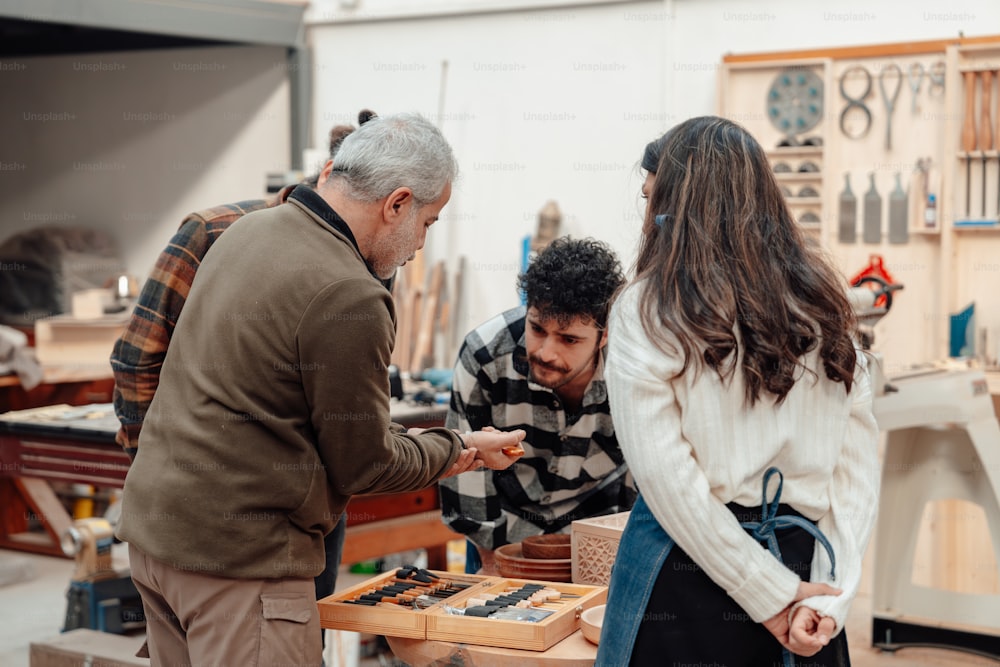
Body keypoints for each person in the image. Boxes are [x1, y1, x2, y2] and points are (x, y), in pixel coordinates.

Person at [115, 112, 526, 667]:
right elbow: (366, 464)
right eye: (428, 222)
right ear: (397, 203)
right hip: (242, 564)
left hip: (156, 540)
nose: (421, 244)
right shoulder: (349, 293)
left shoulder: (245, 231)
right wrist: (463, 449)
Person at [595, 115, 880, 666]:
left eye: (654, 200)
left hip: (688, 574)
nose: (649, 217)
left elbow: (669, 484)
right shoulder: (825, 303)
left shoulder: (647, 308)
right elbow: (857, 476)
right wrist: (827, 596)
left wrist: (778, 600)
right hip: (803, 574)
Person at [109, 111, 375, 642]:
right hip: (209, 511)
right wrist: (173, 473)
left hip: (304, 500)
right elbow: (137, 360)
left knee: (293, 634)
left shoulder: (365, 256)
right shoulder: (213, 231)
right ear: (329, 177)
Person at [440, 236, 635, 575]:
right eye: (537, 328)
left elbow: (645, 474)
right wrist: (493, 565)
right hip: (501, 529)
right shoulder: (485, 356)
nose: (546, 352)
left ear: (604, 336)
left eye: (569, 339)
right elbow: (466, 471)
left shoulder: (634, 367)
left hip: (599, 528)